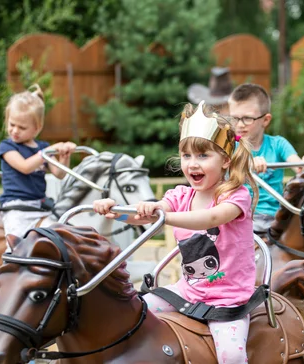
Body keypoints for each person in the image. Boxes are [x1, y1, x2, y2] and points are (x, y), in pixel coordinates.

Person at [94, 101, 258, 363]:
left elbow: (212, 217)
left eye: (203, 156)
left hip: (228, 297)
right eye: (187, 156)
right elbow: (143, 215)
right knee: (133, 312)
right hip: (189, 291)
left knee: (231, 355)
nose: (193, 164)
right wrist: (115, 211)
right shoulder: (179, 195)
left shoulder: (235, 196)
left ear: (225, 159)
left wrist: (164, 217)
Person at [228, 83, 304, 235]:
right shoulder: (228, 147)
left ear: (265, 120)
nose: (240, 125)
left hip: (275, 217)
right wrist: (247, 163)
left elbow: (299, 168)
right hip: (240, 215)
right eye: (234, 118)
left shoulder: (278, 144)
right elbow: (220, 169)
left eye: (247, 118)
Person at [0, 84, 76, 238]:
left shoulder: (42, 147)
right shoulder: (7, 146)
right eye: (12, 124)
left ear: (37, 128)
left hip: (40, 205)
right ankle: (13, 259)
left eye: (21, 127)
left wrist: (64, 156)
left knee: (61, 230)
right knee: (17, 237)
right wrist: (45, 153)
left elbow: (59, 173)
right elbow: (25, 167)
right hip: (16, 206)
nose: (14, 130)